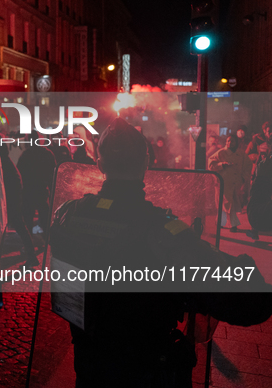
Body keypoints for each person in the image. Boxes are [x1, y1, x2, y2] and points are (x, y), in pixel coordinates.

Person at [50, 118, 272, 387]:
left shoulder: (67, 215)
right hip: (147, 373)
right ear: (145, 165)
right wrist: (245, 268)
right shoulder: (162, 230)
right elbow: (248, 304)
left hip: (89, 369)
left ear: (100, 165)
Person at [208, 135, 252, 232]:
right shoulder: (221, 153)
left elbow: (249, 166)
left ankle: (220, 222)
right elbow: (210, 164)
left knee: (225, 204)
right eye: (228, 141)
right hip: (223, 182)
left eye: (232, 141)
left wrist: (243, 177)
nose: (230, 143)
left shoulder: (241, 154)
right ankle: (233, 224)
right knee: (228, 203)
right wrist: (221, 165)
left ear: (236, 143)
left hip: (236, 183)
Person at [17, 136, 56, 235]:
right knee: (45, 218)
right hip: (42, 190)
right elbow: (53, 173)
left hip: (28, 190)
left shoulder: (26, 154)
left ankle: (29, 244)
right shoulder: (47, 154)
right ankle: (48, 241)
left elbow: (19, 172)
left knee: (28, 218)